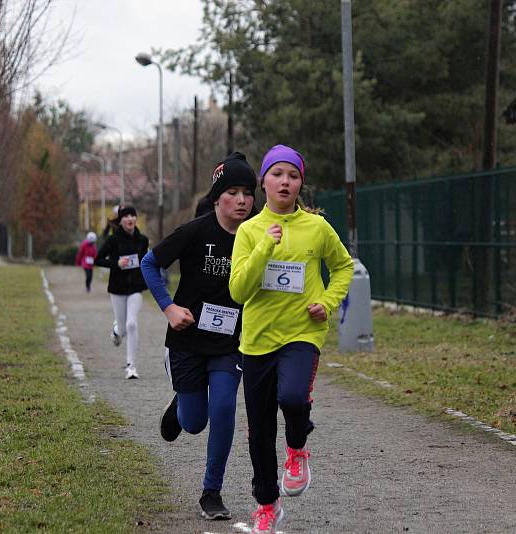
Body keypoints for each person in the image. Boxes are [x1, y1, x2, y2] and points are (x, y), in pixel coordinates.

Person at [229, 144, 354, 534]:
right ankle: (267, 505)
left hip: (302, 333)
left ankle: (298, 447)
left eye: (293, 176)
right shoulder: (249, 231)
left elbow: (344, 266)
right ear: (263, 181)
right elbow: (239, 291)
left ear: (301, 183)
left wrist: (327, 301)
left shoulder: (317, 228)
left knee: (294, 397)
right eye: (278, 174)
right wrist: (266, 244)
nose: (286, 182)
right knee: (260, 431)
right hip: (257, 341)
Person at [140, 152, 257, 521]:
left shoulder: (257, 235)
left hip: (229, 343)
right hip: (188, 339)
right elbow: (149, 263)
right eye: (233, 192)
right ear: (218, 195)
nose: (241, 200)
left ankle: (212, 491)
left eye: (247, 193)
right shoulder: (196, 231)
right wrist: (169, 308)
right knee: (194, 422)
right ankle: (180, 407)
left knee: (223, 409)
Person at [95, 206, 149, 379]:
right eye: (126, 216)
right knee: (123, 328)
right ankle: (117, 332)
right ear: (121, 220)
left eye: (133, 215)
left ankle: (131, 367)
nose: (130, 219)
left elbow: (146, 261)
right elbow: (98, 259)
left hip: (135, 288)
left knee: (132, 324)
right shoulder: (113, 240)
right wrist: (117, 263)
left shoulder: (143, 240)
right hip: (117, 289)